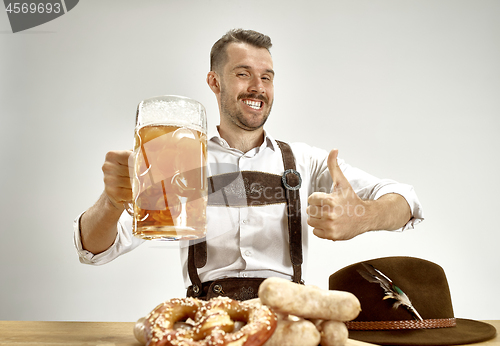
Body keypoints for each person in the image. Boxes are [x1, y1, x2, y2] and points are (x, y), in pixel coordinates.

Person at [73, 29, 424, 300]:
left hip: (289, 312)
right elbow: (94, 250)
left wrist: (363, 216)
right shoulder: (176, 164)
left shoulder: (305, 162)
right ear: (214, 82)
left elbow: (405, 200)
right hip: (207, 317)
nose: (258, 88)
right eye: (243, 74)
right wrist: (112, 201)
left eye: (267, 77)